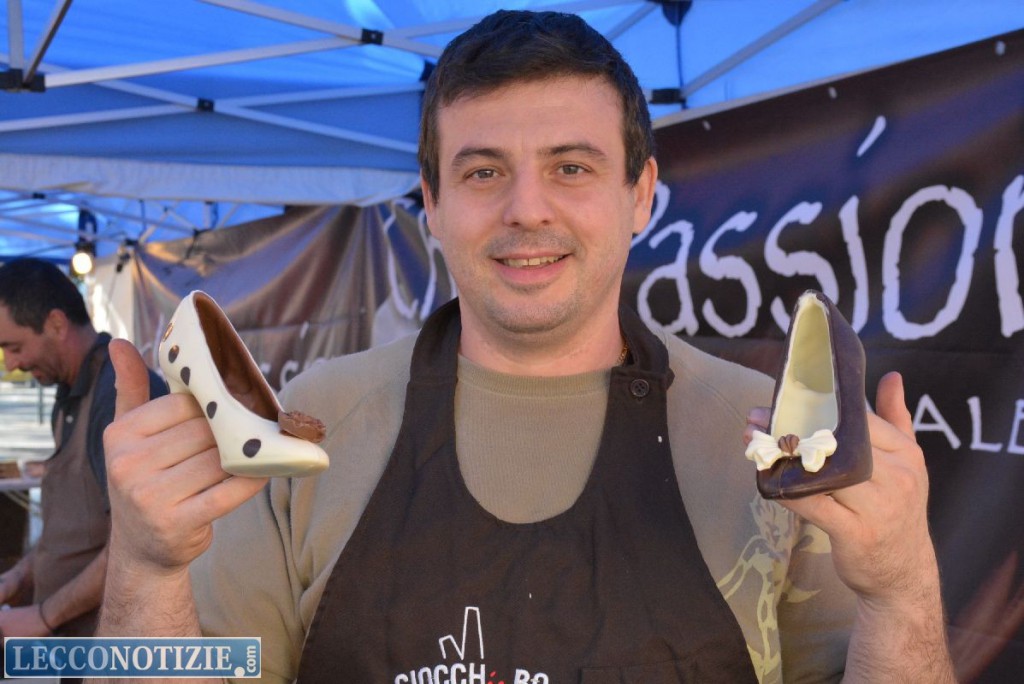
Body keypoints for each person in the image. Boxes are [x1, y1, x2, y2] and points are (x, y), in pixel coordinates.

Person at [98, 10, 955, 683]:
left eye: (571, 167)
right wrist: (144, 570)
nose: (527, 209)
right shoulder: (310, 424)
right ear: (432, 203)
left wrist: (903, 590)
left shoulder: (768, 439)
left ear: (641, 195)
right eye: (483, 172)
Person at [0, 258, 167, 638]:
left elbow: (138, 543)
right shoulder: (68, 391)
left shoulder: (116, 397)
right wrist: (20, 576)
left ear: (56, 324)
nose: (11, 364)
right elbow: (74, 528)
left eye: (14, 347)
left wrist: (43, 616)